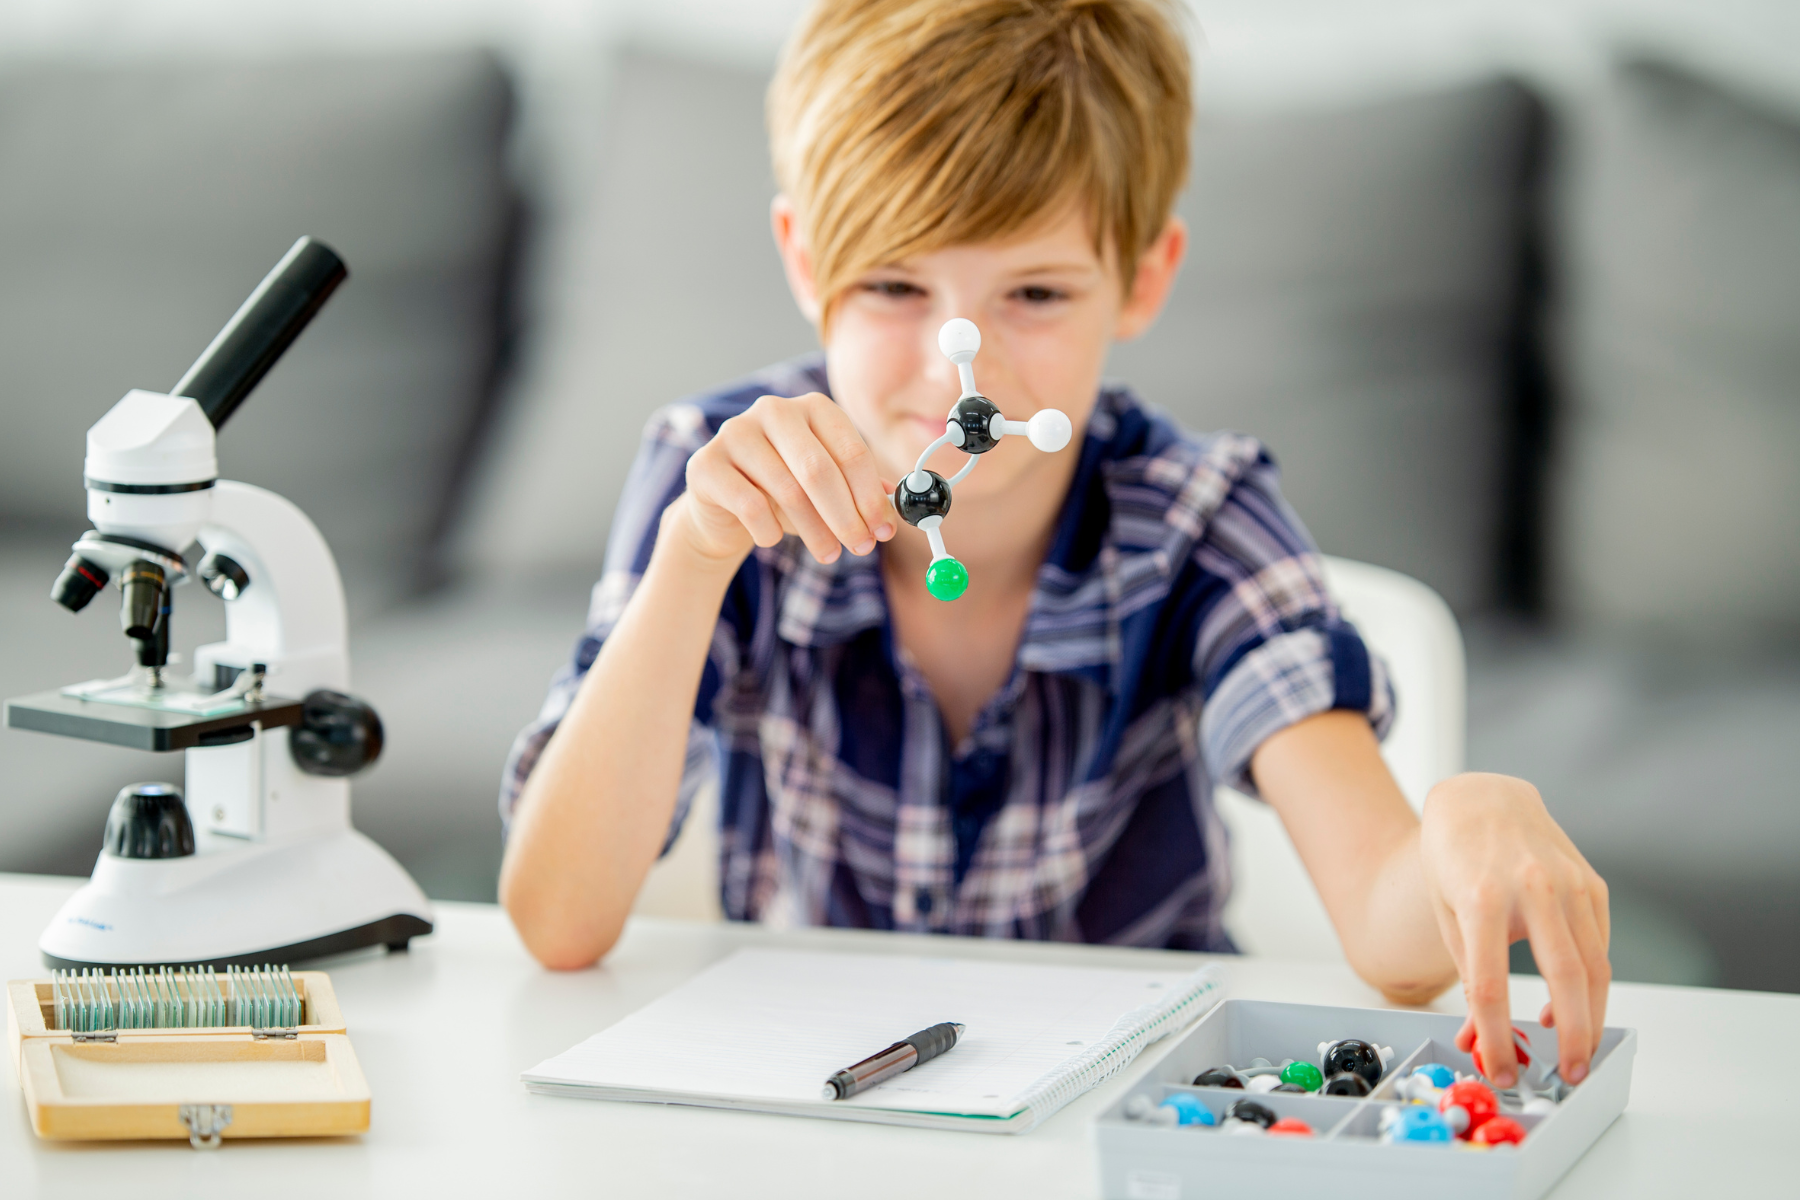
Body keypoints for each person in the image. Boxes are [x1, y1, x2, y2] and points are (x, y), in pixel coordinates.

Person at [498, 0, 1611, 1090]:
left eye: (1033, 291)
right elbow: (558, 921)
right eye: (894, 285)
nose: (954, 373)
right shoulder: (716, 478)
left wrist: (1467, 822)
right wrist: (694, 557)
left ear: (1143, 277)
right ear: (804, 260)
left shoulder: (1197, 519)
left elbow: (1388, 928)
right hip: (828, 1099)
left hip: (1129, 1111)